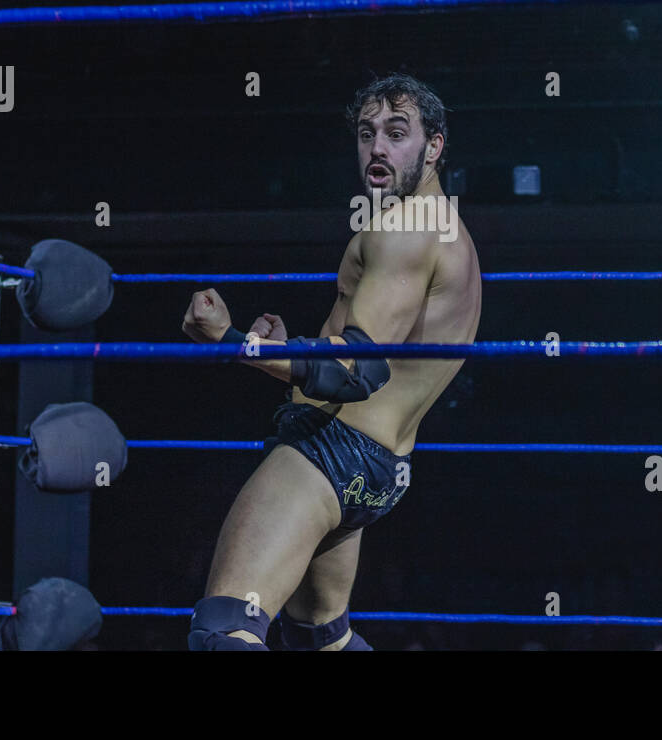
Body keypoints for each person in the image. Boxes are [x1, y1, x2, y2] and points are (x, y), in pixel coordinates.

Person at [181, 74, 482, 650]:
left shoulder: (403, 230)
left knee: (225, 633)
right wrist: (277, 346)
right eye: (367, 134)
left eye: (398, 134)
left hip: (328, 450)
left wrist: (231, 340)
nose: (377, 149)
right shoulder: (453, 235)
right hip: (381, 473)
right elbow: (390, 351)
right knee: (321, 639)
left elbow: (353, 372)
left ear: (435, 145)